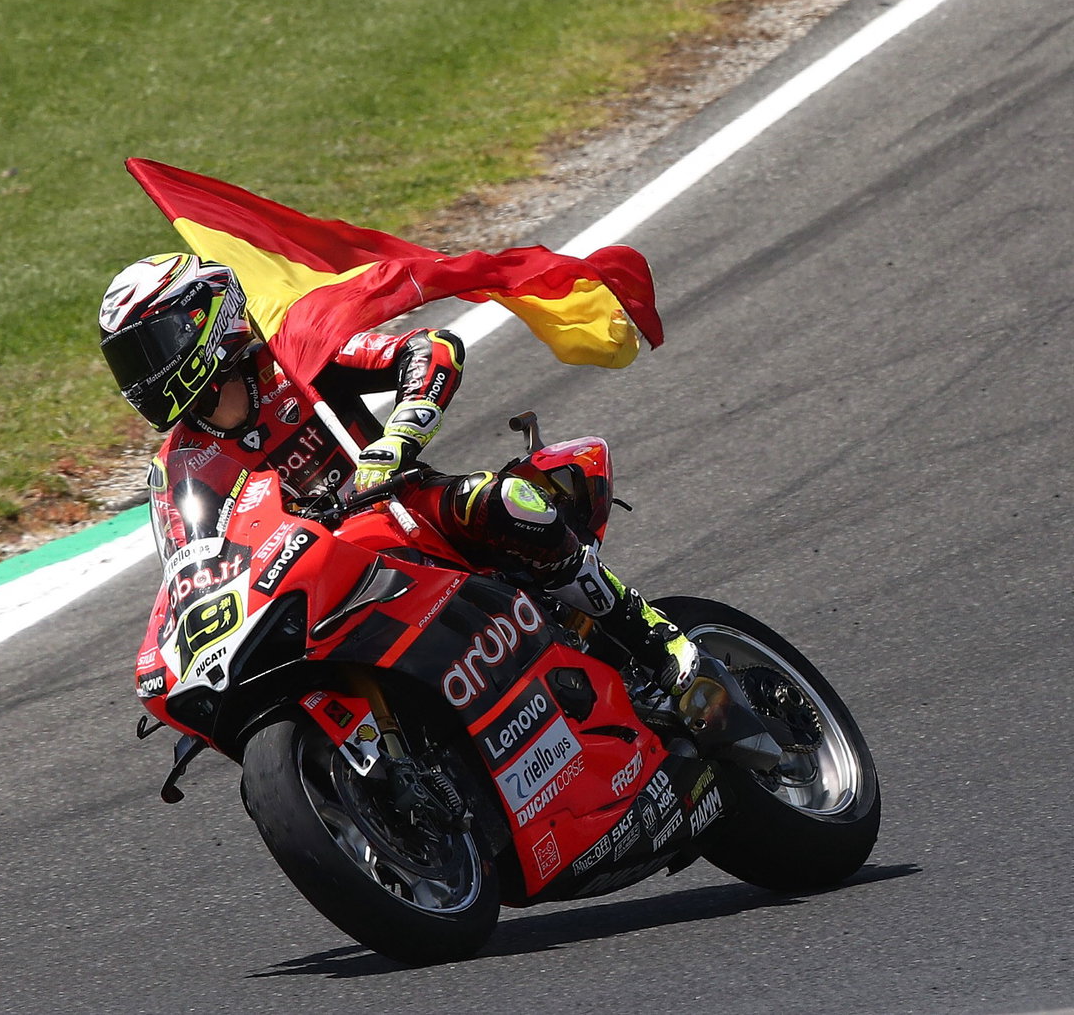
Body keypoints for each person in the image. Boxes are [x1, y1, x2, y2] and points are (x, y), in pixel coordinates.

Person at [98, 252, 779, 760]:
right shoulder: (177, 465)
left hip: (399, 513)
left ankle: (655, 642)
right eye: (128, 363)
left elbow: (431, 349)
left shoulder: (294, 361)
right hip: (313, 586)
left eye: (149, 349)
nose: (143, 376)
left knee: (508, 500)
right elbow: (192, 563)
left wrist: (395, 441)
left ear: (204, 323)